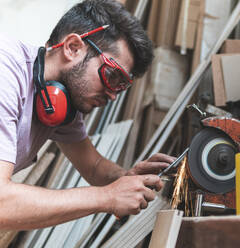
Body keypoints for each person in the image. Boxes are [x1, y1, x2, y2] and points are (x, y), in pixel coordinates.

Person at [0, 0, 175, 230]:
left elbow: (93, 166)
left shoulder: (59, 101)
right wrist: (108, 197)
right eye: (112, 76)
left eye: (121, 86)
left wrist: (126, 178)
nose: (113, 95)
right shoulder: (6, 74)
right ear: (73, 47)